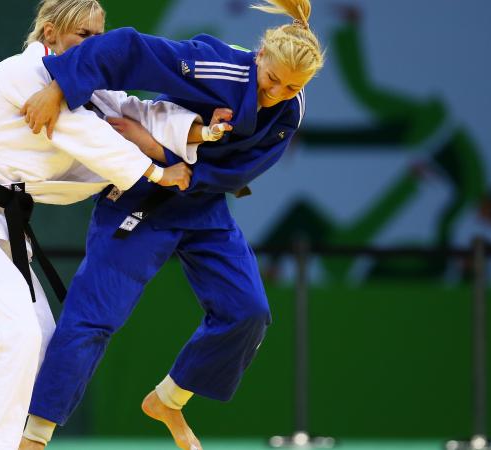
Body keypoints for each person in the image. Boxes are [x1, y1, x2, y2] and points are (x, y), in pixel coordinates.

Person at [0, 0, 232, 448]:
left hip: (4, 226)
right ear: (51, 34)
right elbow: (85, 135)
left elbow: (136, 114)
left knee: (41, 344)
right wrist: (156, 172)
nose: (94, 46)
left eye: (100, 37)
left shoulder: (88, 91)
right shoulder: (23, 75)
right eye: (83, 36)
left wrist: (199, 130)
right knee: (13, 334)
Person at [17, 1, 324, 449]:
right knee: (94, 316)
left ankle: (168, 399)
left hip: (200, 200)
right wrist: (59, 88)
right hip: (142, 193)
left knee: (248, 312)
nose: (275, 91)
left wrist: (169, 159)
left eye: (291, 85)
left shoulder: (291, 109)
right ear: (259, 56)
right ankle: (35, 436)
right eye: (271, 78)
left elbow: (239, 172)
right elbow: (128, 47)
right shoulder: (217, 67)